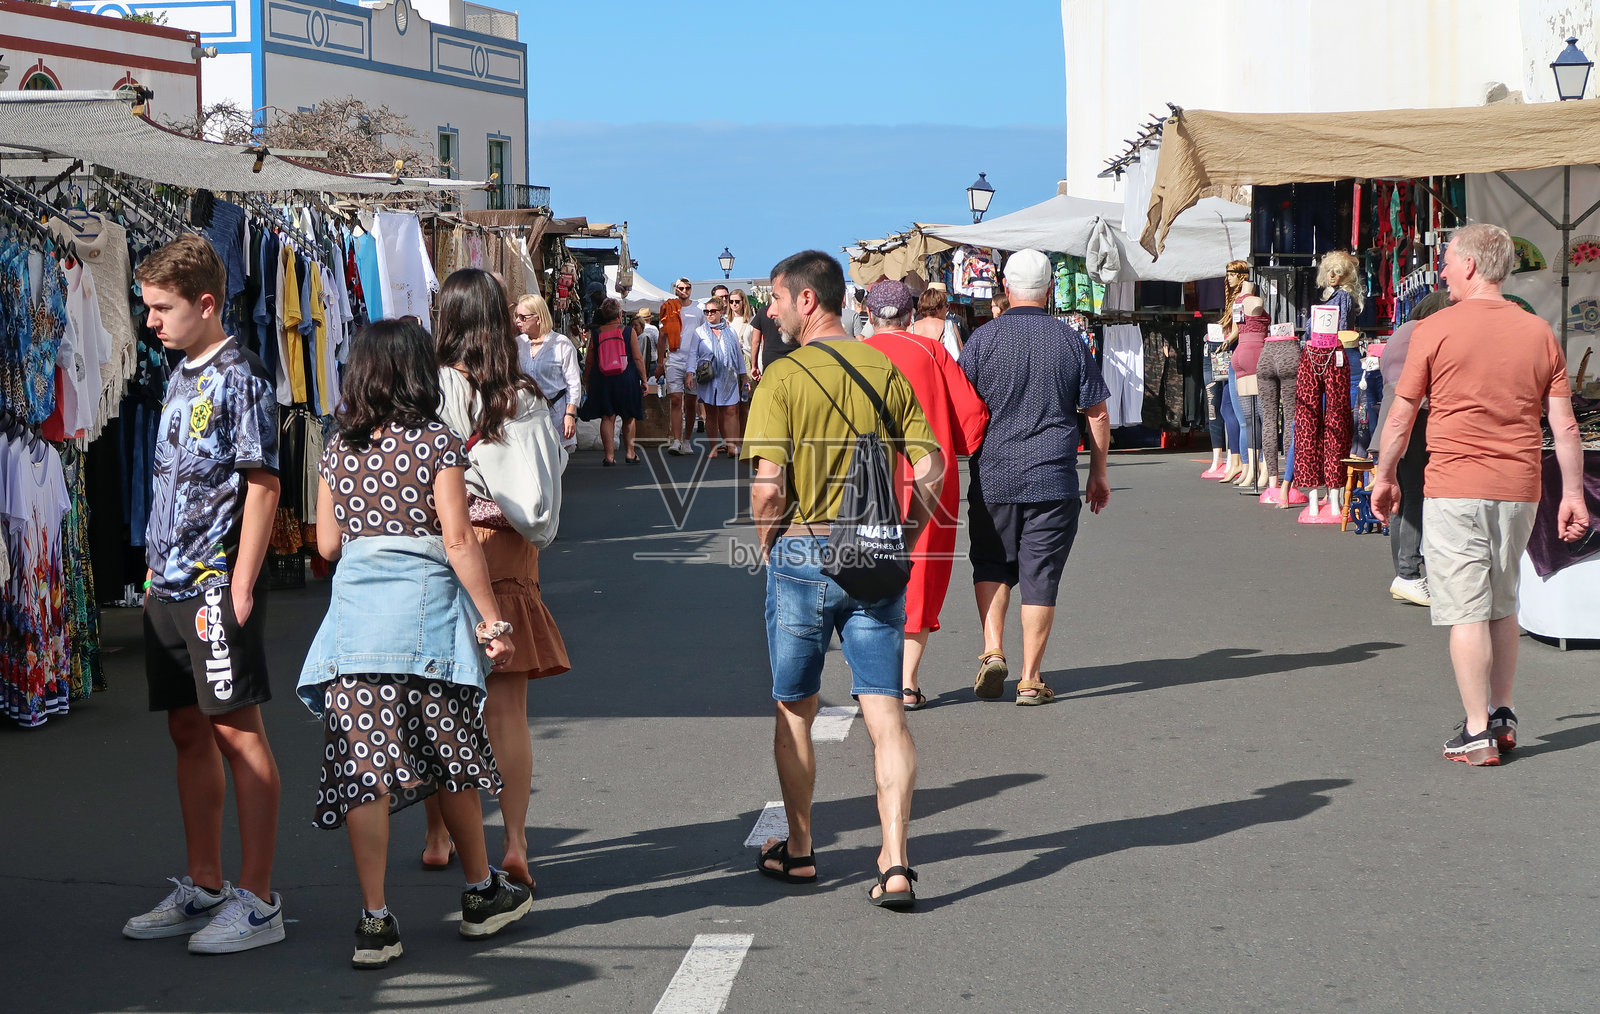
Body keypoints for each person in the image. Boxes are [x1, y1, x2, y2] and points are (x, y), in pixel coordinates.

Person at [298, 318, 532, 968]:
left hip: (356, 631)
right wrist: (492, 621)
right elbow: (459, 540)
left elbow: (327, 545)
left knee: (364, 774)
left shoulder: (337, 448)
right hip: (426, 627)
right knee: (449, 758)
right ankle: (481, 893)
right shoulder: (436, 442)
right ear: (417, 374)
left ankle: (375, 920)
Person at [742, 250, 944, 908]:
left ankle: (800, 851)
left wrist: (769, 547)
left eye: (776, 298)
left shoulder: (782, 376)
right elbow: (933, 466)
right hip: (873, 553)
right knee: (886, 712)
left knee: (794, 708)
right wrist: (907, 534)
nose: (769, 311)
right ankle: (896, 861)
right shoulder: (883, 368)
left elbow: (768, 488)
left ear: (807, 300)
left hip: (802, 552)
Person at [122, 234, 287, 954]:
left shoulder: (241, 375)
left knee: (237, 735)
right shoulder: (179, 370)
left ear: (207, 303)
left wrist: (241, 582)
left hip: (215, 584)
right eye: (148, 306)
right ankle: (205, 883)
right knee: (187, 731)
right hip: (166, 583)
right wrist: (152, 573)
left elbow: (263, 483)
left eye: (162, 307)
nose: (151, 320)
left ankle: (258, 899)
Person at [1372, 224, 1589, 767]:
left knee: (1467, 610)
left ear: (1469, 265)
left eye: (1447, 261)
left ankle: (1476, 731)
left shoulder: (1434, 329)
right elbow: (1564, 426)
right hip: (1519, 488)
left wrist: (1385, 473)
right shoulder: (1538, 331)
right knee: (1502, 602)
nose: (1443, 271)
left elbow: (1401, 415)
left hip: (1455, 486)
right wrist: (1573, 495)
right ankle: (1502, 712)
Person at [423, 269, 571, 885]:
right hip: (509, 550)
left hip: (443, 546)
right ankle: (514, 842)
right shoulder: (523, 394)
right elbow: (546, 475)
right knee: (507, 710)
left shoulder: (429, 388)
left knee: (442, 702)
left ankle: (440, 836)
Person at [961, 249, 1112, 706]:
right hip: (1052, 478)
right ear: (1049, 291)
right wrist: (1098, 473)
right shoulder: (1069, 340)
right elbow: (1097, 413)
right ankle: (1029, 678)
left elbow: (964, 409)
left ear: (1006, 288)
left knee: (991, 563)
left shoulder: (982, 340)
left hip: (993, 476)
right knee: (1040, 575)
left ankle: (992, 650)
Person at [863, 281, 989, 710]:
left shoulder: (852, 355)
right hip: (927, 478)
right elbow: (971, 417)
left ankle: (876, 675)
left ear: (868, 316)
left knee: (866, 568)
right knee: (920, 571)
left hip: (865, 480)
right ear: (909, 316)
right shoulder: (931, 351)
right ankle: (906, 681)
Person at [1374, 289, 1451, 606]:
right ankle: (1408, 573)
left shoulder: (1401, 332)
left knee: (1402, 497)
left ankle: (1405, 574)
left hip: (1392, 416)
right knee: (1414, 496)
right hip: (1416, 415)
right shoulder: (1428, 332)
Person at [578, 298, 648, 465]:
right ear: (620, 314)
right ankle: (630, 453)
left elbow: (590, 360)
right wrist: (644, 380)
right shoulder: (628, 331)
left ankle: (609, 456)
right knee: (629, 417)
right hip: (626, 378)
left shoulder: (596, 333)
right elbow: (638, 358)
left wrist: (586, 378)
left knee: (607, 417)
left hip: (603, 379)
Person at [514, 292, 582, 462]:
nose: (517, 321)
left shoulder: (561, 344)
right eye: (516, 316)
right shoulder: (518, 344)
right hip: (527, 413)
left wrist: (570, 415)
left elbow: (573, 383)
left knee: (555, 462)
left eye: (523, 317)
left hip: (555, 412)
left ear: (538, 318)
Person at [688, 295, 748, 457]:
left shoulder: (730, 331)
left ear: (721, 312)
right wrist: (689, 373)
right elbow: (692, 353)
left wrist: (744, 375)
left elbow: (738, 354)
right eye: (706, 311)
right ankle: (714, 448)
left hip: (728, 375)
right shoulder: (699, 332)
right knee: (711, 412)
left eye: (712, 311)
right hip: (708, 376)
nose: (709, 314)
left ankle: (732, 446)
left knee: (730, 410)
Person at [657, 278, 698, 454]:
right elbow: (662, 336)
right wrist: (660, 362)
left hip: (694, 360)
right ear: (675, 289)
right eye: (681, 288)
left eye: (687, 288)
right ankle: (676, 440)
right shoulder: (669, 308)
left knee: (691, 402)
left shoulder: (699, 309)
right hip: (674, 358)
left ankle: (687, 439)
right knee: (675, 399)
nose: (684, 291)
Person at [913, 287, 962, 360]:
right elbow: (961, 354)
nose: (947, 309)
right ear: (937, 308)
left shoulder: (911, 328)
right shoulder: (949, 325)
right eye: (946, 305)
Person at [749, 296, 789, 381]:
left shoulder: (763, 312)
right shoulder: (792, 311)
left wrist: (754, 366)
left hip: (770, 360)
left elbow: (755, 342)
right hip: (793, 357)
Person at [727, 289, 755, 374]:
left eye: (737, 301)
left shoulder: (752, 321)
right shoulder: (725, 321)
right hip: (730, 361)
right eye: (731, 301)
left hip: (747, 360)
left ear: (743, 302)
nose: (734, 304)